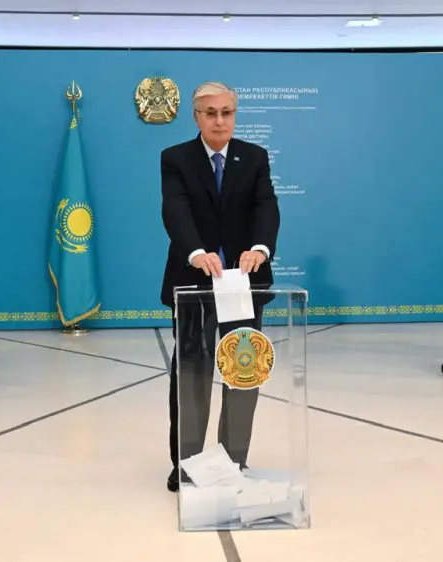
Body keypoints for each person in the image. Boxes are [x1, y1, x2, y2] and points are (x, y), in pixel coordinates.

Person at [159, 81, 280, 492]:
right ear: (196, 116)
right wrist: (195, 252)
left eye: (227, 112)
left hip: (244, 285)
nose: (219, 120)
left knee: (243, 372)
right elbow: (175, 210)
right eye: (210, 112)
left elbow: (267, 206)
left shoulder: (255, 157)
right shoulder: (176, 158)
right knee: (192, 376)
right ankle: (187, 462)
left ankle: (234, 459)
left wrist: (260, 248)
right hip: (193, 285)